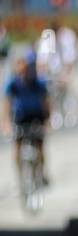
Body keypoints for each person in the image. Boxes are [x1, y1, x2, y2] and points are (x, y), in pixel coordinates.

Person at [3, 51, 50, 186]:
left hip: (37, 117)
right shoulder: (13, 83)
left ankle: (41, 172)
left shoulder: (39, 83)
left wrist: (48, 121)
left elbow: (46, 102)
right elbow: (7, 103)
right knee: (17, 147)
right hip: (20, 118)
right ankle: (20, 177)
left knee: (40, 146)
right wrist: (6, 123)